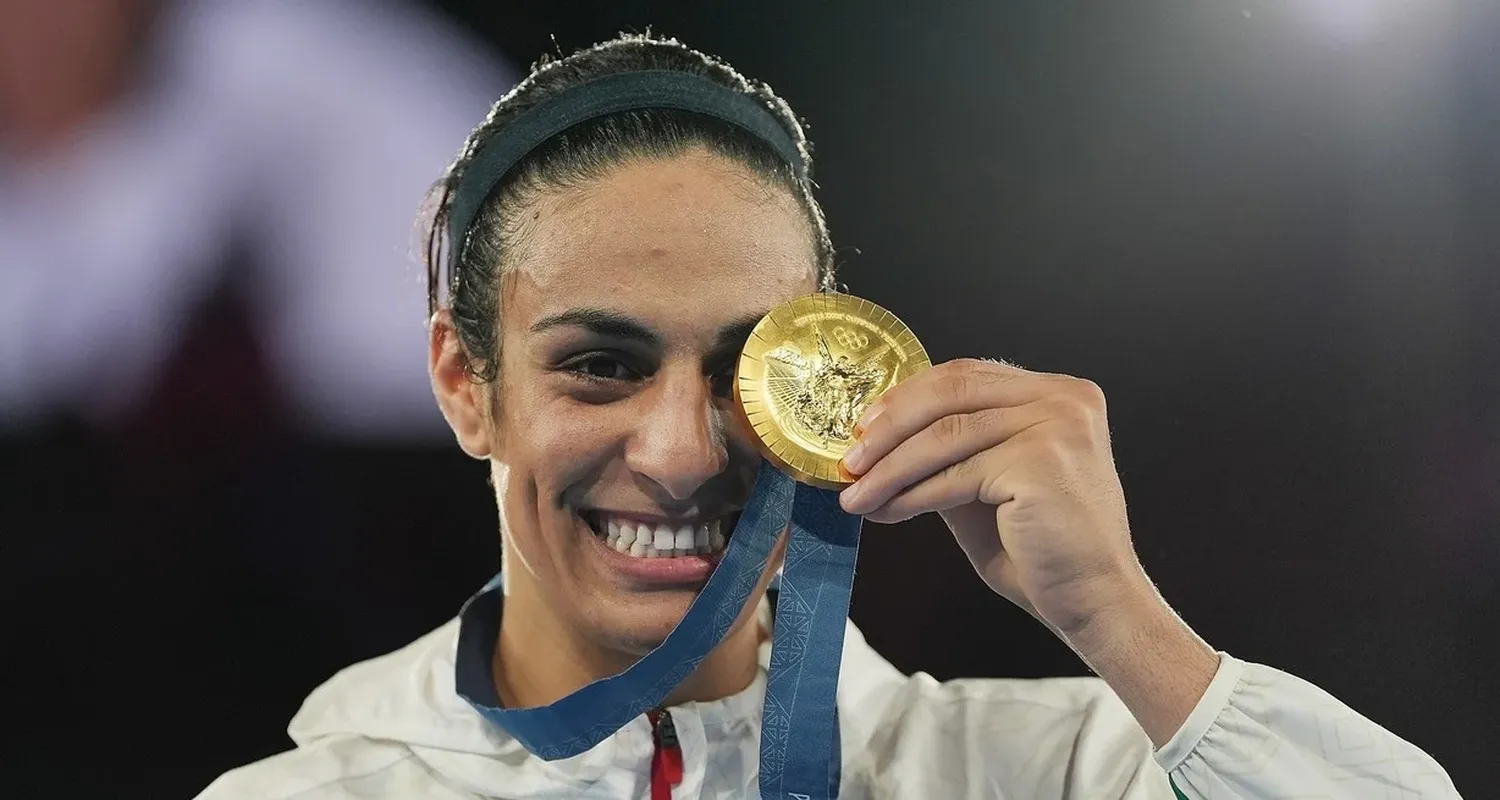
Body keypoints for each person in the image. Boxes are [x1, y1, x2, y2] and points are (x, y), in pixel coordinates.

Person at [197, 34, 1461, 799]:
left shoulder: (1047, 770)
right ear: (467, 384)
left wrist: (1125, 620)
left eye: (746, 366)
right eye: (599, 365)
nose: (685, 449)